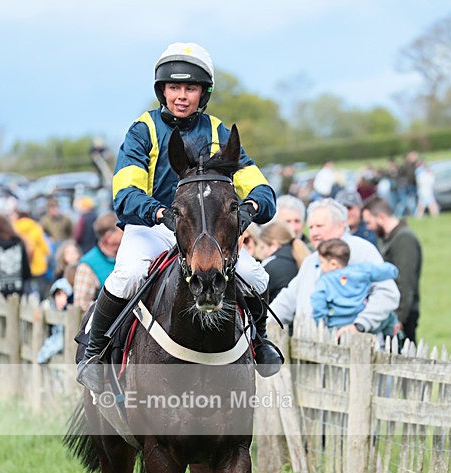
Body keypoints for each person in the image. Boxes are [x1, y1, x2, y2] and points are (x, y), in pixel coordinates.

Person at [77, 41, 280, 392]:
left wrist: (251, 208)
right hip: (153, 227)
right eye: (174, 88)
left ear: (204, 93)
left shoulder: (218, 131)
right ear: (163, 91)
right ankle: (94, 353)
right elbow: (124, 194)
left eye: (190, 88)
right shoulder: (143, 130)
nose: (181, 96)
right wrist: (159, 212)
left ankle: (260, 342)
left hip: (206, 231)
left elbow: (260, 188)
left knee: (254, 275)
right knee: (128, 276)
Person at [270, 198, 400, 338]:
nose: (314, 233)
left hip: (355, 344)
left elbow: (387, 293)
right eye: (311, 227)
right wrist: (263, 323)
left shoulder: (361, 250)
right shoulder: (311, 261)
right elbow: (287, 299)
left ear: (340, 226)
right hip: (311, 345)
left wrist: (360, 325)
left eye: (319, 226)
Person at [362, 196, 422, 343]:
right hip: (389, 313)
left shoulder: (404, 239)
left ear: (381, 217)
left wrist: (399, 319)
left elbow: (405, 283)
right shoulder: (388, 239)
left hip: (402, 316)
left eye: (369, 222)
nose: (368, 227)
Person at [311, 238, 399, 336]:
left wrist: (321, 323)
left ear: (333, 264)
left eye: (321, 262)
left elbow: (318, 304)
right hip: (358, 321)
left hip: (336, 325)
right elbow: (386, 271)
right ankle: (394, 336)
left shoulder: (324, 282)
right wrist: (394, 271)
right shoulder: (361, 271)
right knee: (390, 317)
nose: (319, 266)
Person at [73, 213, 122, 313]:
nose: (125, 233)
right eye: (121, 230)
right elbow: (81, 303)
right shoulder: (88, 265)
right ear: (109, 237)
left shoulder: (126, 257)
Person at [258, 220, 310, 303]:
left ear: (274, 245)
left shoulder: (272, 266)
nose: (262, 253)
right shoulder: (300, 258)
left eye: (262, 247)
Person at [12, 208, 51, 298]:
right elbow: (45, 248)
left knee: (25, 290)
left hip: (22, 264)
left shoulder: (14, 229)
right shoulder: (36, 228)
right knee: (41, 289)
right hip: (38, 263)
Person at [37, 277, 73, 364]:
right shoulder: (48, 309)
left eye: (65, 295)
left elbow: (60, 342)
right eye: (59, 294)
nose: (62, 299)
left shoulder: (72, 314)